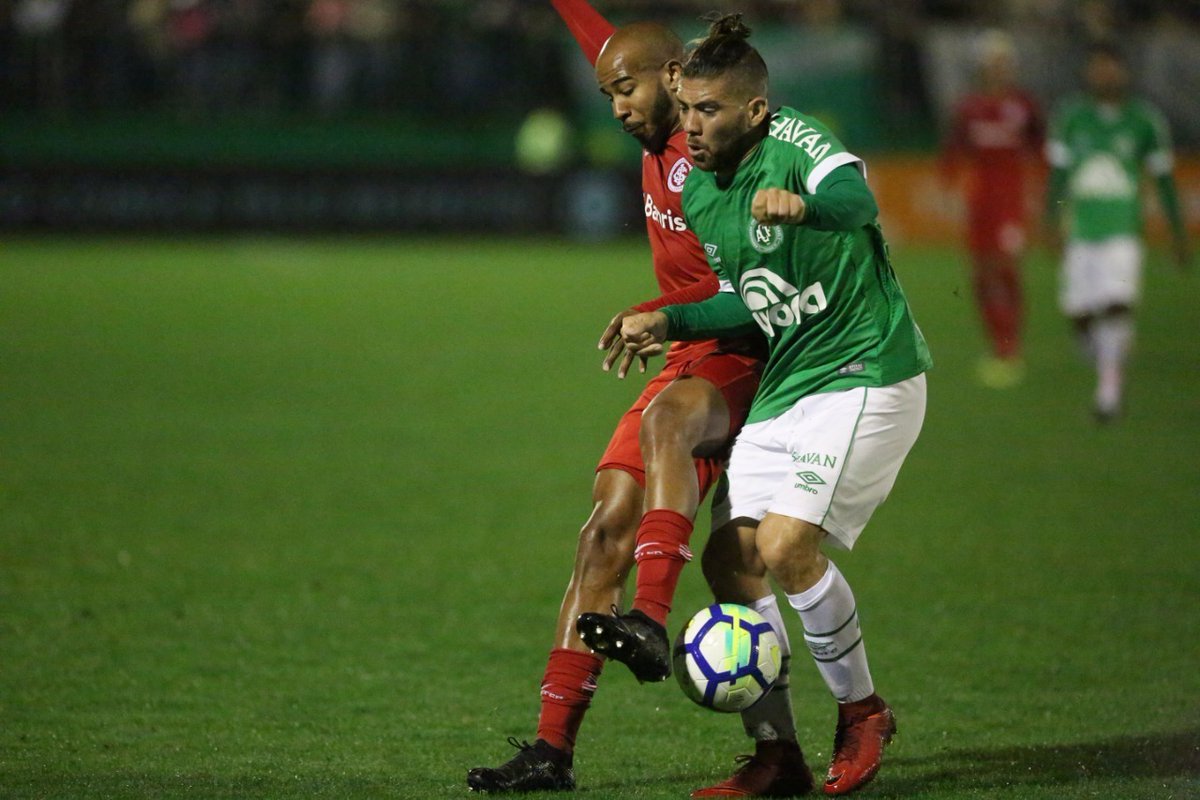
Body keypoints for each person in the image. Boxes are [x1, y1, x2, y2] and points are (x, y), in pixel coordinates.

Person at [621, 14, 932, 796]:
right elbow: (745, 297)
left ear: (755, 110)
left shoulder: (797, 143)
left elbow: (856, 199)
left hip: (867, 370)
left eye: (709, 110)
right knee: (731, 558)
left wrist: (805, 208)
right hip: (794, 380)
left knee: (787, 545)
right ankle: (777, 755)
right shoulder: (703, 190)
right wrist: (669, 320)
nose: (691, 127)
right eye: (685, 109)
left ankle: (863, 711)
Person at [467, 2, 767, 793]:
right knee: (601, 534)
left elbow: (752, 293)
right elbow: (607, 44)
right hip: (687, 348)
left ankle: (653, 618)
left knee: (676, 438)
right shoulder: (645, 91)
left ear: (674, 78)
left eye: (625, 92)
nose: (618, 108)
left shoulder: (713, 152)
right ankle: (550, 751)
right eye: (607, 96)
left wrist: (662, 314)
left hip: (743, 353)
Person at [1044, 40, 1189, 423]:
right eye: (1098, 67)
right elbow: (1058, 177)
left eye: (1111, 67)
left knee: (1116, 303)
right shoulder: (1071, 117)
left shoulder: (1145, 120)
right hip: (1080, 230)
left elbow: (1164, 179)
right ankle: (1107, 352)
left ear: (1123, 72)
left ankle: (1108, 394)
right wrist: (1051, 221)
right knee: (1080, 315)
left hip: (1123, 230)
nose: (1104, 74)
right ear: (1088, 73)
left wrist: (1177, 233)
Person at [939, 30, 1044, 389]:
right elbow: (953, 152)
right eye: (993, 62)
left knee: (1006, 268)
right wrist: (948, 187)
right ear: (982, 66)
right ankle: (996, 342)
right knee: (982, 275)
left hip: (1011, 202)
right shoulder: (969, 108)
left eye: (1004, 62)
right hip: (980, 201)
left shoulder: (1024, 105)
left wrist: (1045, 193)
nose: (1000, 68)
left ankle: (1009, 347)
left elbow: (1041, 149)